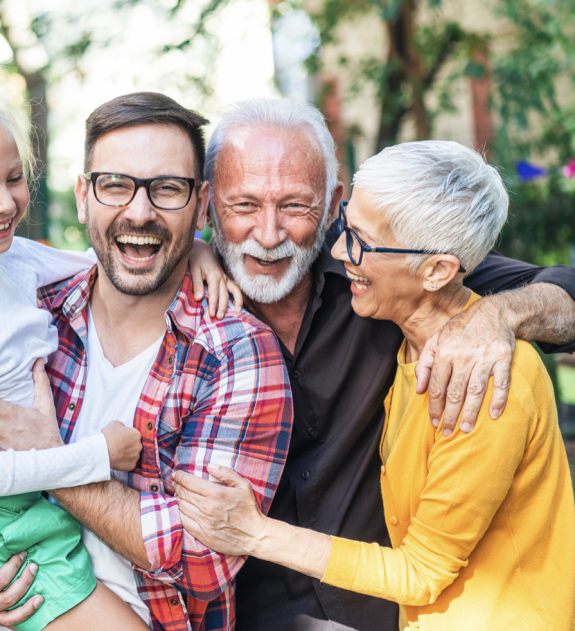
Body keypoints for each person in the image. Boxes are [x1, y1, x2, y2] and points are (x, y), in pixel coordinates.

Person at [0, 31, 242, 631]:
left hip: (34, 515)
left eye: (14, 179)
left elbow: (112, 258)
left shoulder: (18, 263)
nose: (7, 203)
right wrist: (97, 456)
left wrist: (197, 249)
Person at [195, 98, 575, 630]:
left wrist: (502, 313)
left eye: (296, 207)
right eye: (243, 206)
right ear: (209, 205)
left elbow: (564, 292)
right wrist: (192, 247)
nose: (268, 232)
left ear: (330, 205)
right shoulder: (401, 335)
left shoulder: (463, 348)